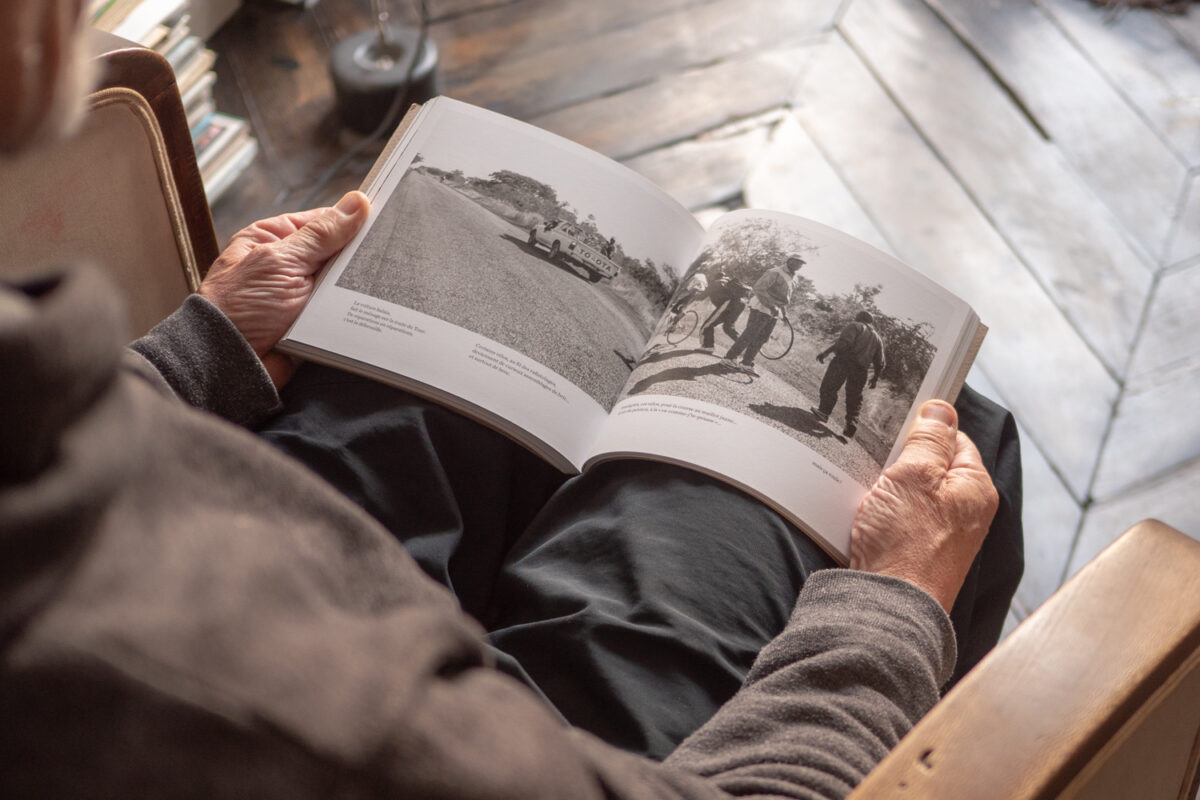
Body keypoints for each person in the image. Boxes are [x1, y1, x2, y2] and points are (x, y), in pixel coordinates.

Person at [0, 3, 1024, 795]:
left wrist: (195, 356)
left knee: (398, 389)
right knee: (955, 436)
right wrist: (891, 608)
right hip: (396, 700)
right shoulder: (253, 707)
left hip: (217, 536)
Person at [722, 252, 805, 376]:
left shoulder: (794, 278)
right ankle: (729, 358)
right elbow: (759, 288)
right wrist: (771, 306)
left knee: (762, 338)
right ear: (790, 261)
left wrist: (784, 312)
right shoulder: (775, 272)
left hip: (774, 311)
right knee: (750, 334)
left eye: (801, 263)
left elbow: (784, 298)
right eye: (797, 262)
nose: (799, 265)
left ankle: (746, 363)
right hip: (762, 307)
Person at [812, 311, 887, 440]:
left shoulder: (855, 326)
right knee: (855, 398)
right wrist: (874, 378)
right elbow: (880, 362)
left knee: (829, 386)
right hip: (861, 370)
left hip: (844, 362)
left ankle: (824, 412)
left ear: (859, 317)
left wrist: (827, 353)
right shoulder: (877, 339)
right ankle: (850, 424)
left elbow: (843, 344)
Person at [698, 269, 751, 353]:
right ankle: (745, 347)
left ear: (715, 277)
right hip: (740, 304)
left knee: (707, 325)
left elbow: (701, 297)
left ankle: (708, 346)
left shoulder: (716, 283)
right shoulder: (729, 281)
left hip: (728, 304)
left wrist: (696, 290)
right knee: (728, 327)